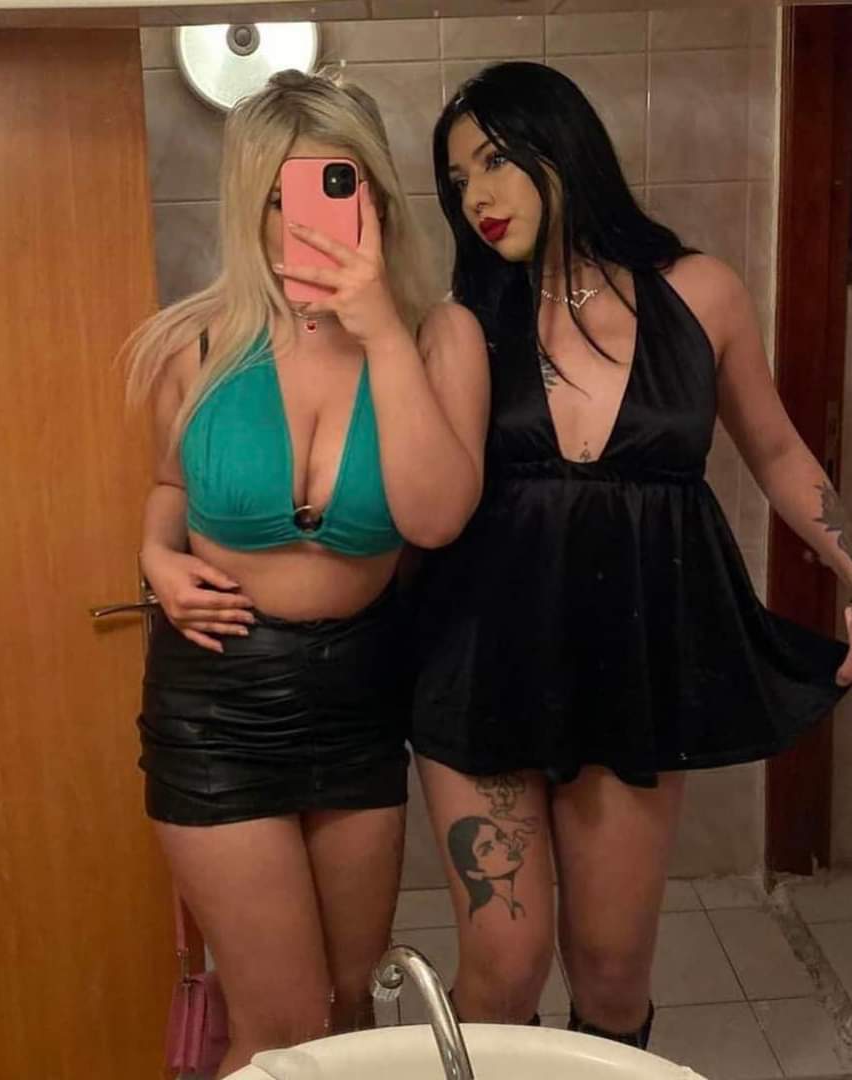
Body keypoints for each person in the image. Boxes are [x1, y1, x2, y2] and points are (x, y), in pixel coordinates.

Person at [411, 60, 852, 1050]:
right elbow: (425, 498)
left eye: (496, 159)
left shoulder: (702, 292)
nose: (475, 195)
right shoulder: (465, 319)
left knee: (612, 970)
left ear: (564, 144)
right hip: (481, 662)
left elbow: (780, 451)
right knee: (504, 964)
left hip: (633, 662)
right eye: (457, 178)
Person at [124, 69, 489, 1075]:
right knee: (280, 1026)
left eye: (337, 186)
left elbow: (436, 517)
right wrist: (155, 558)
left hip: (362, 697)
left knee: (350, 1006)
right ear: (252, 206)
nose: (311, 221)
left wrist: (380, 330)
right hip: (217, 703)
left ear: (377, 194)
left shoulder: (439, 335)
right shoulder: (197, 343)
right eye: (282, 196)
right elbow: (170, 486)